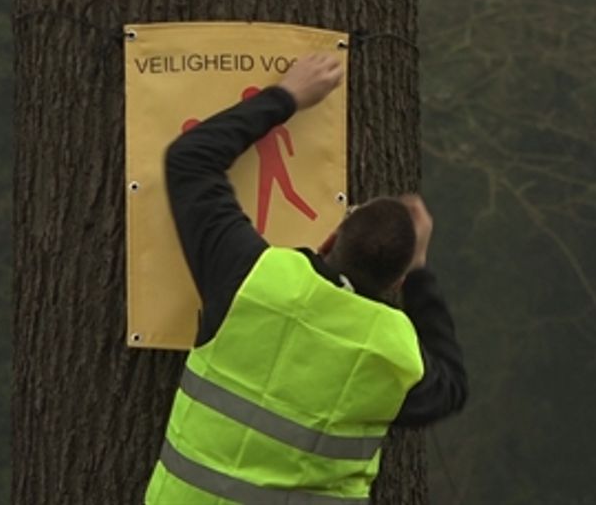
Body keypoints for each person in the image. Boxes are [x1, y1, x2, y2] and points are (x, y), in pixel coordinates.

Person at [145, 54, 467, 504]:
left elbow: (190, 160)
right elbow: (452, 386)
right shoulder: (396, 357)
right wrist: (420, 271)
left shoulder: (254, 278)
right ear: (396, 284)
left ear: (330, 238)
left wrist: (287, 96)